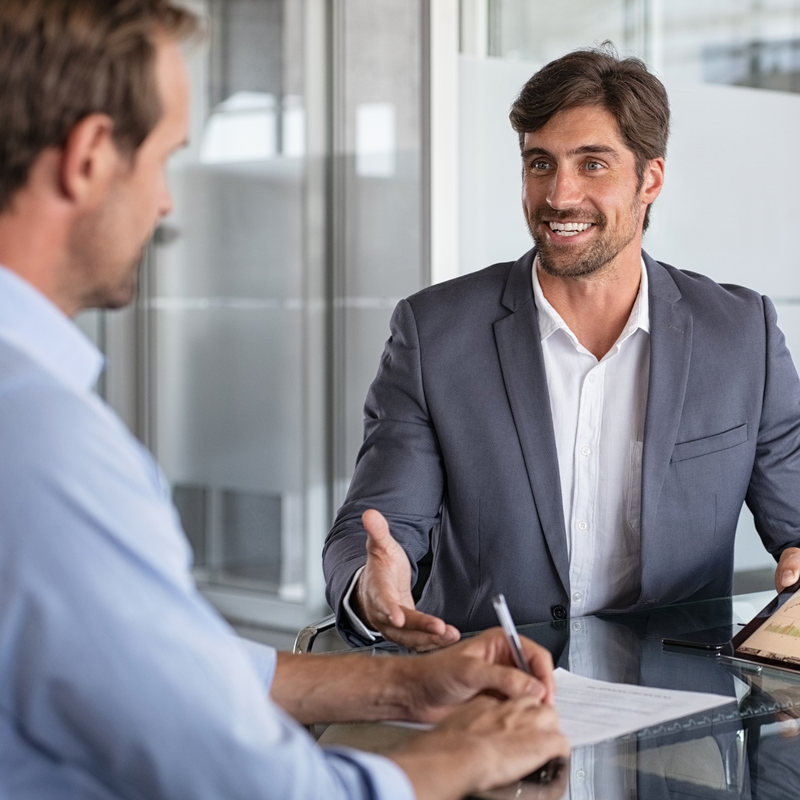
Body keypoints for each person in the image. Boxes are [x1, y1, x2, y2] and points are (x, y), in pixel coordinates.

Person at [0, 2, 570, 798]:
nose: (166, 203)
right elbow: (249, 785)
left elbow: (160, 661)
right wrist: (456, 760)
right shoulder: (42, 444)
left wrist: (403, 688)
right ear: (90, 156)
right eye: (165, 159)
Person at [323, 45, 800, 650]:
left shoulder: (741, 335)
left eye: (593, 164)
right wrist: (374, 585)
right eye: (540, 164)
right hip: (491, 694)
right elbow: (379, 527)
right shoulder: (434, 333)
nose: (558, 195)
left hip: (680, 708)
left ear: (649, 179)